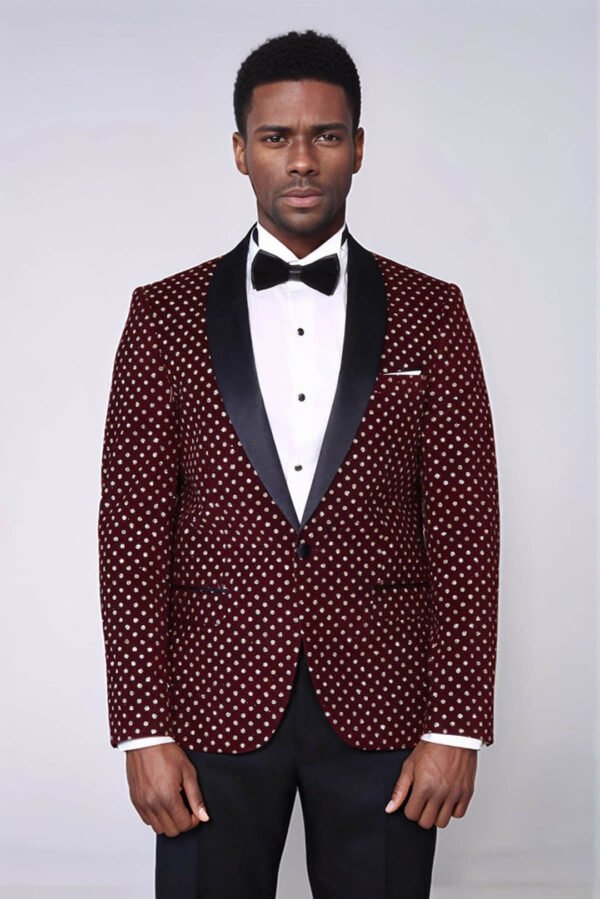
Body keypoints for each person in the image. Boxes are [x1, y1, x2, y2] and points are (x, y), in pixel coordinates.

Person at [97, 28, 500, 899]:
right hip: (208, 704)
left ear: (360, 146)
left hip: (388, 710)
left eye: (327, 135)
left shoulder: (433, 312)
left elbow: (467, 525)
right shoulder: (162, 316)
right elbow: (130, 529)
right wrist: (141, 728)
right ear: (241, 151)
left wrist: (457, 724)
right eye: (277, 137)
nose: (304, 160)